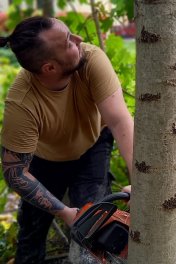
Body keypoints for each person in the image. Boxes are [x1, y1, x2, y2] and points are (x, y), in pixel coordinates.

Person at [0, 16, 133, 264]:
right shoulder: (22, 103)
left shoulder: (90, 58)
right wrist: (64, 212)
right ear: (49, 68)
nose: (80, 40)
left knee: (94, 233)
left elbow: (119, 120)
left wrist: (141, 182)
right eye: (69, 42)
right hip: (45, 159)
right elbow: (15, 172)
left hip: (92, 145)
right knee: (31, 237)